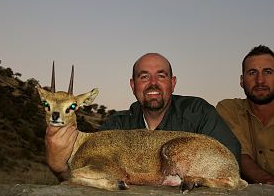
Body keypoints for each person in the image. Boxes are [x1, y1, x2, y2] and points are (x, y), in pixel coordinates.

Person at [46, 53, 241, 182]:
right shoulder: (116, 125)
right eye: (144, 77)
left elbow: (228, 163)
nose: (153, 84)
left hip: (200, 193)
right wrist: (58, 165)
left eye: (161, 76)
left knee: (173, 150)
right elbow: (96, 173)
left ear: (173, 83)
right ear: (133, 85)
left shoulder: (198, 111)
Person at [216, 45, 274, 184]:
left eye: (268, 72)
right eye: (252, 72)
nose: (260, 80)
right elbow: (238, 154)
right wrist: (268, 183)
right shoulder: (229, 109)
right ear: (242, 81)